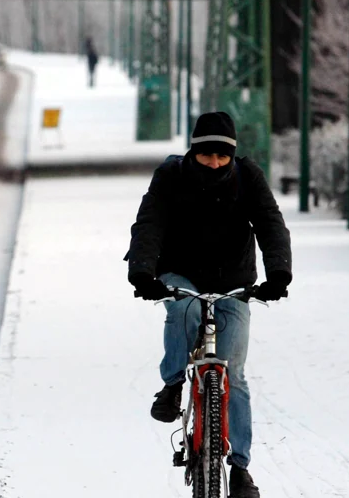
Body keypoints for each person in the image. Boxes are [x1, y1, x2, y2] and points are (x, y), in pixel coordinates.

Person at [124, 111, 292, 498]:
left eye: (222, 156)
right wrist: (142, 273)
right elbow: (149, 223)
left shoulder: (247, 178)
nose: (214, 163)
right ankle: (172, 384)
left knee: (234, 373)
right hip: (179, 272)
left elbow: (270, 222)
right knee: (185, 310)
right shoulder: (170, 176)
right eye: (206, 156)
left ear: (232, 156)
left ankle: (240, 470)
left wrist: (278, 274)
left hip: (233, 279)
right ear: (192, 153)